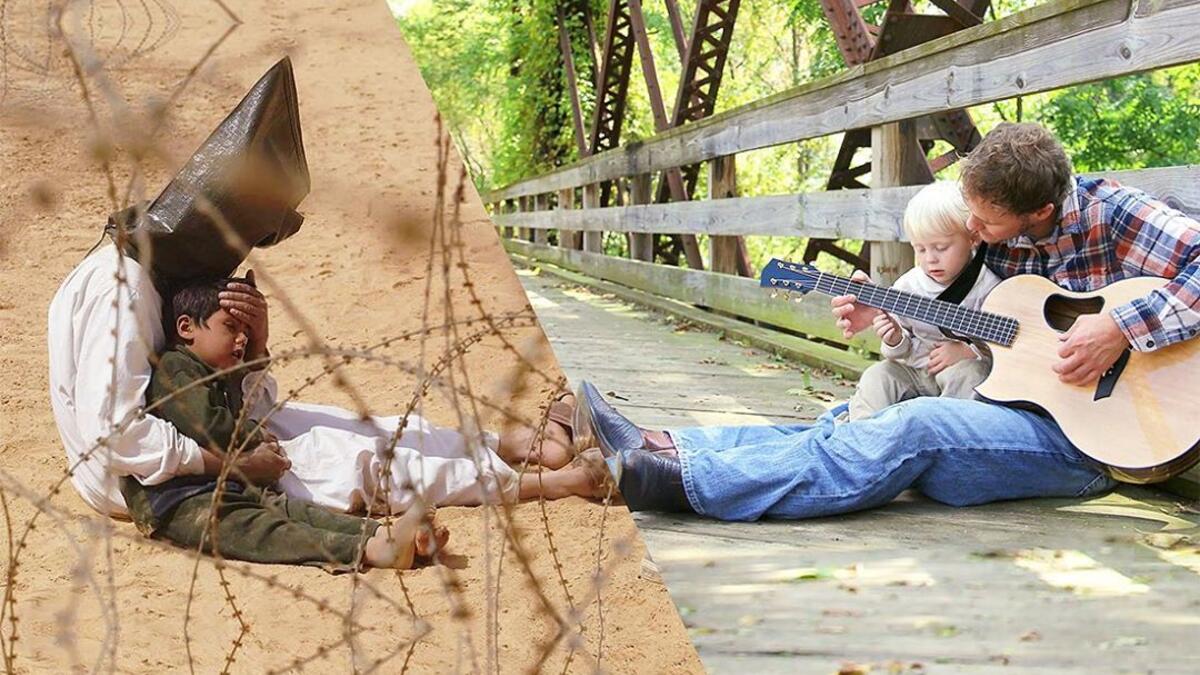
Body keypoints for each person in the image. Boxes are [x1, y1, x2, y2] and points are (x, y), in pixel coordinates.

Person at [574, 121, 1200, 521]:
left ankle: (677, 485)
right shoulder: (995, 235)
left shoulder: (1113, 214)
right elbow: (987, 319)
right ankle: (665, 448)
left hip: (1096, 445)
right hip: (1004, 408)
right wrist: (888, 307)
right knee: (850, 420)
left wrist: (1121, 328)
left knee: (912, 425)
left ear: (1040, 209)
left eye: (985, 223)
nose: (971, 233)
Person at [848, 181, 1001, 420]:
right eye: (920, 249)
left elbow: (1008, 348)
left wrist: (970, 351)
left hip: (958, 379)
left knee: (973, 374)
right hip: (915, 373)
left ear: (973, 239)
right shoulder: (908, 286)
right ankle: (861, 433)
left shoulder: (989, 285)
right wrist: (895, 338)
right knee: (878, 375)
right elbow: (899, 353)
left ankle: (944, 436)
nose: (930, 259)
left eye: (941, 247)